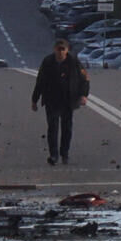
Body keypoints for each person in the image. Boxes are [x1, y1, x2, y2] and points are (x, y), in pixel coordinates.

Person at [32, 38, 88, 166]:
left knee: (66, 128)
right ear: (54, 49)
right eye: (58, 49)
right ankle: (53, 155)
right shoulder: (48, 62)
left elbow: (84, 79)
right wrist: (34, 100)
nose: (61, 52)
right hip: (52, 100)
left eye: (63, 49)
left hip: (68, 100)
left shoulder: (74, 62)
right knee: (52, 128)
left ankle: (64, 153)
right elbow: (40, 81)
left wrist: (83, 95)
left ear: (67, 50)